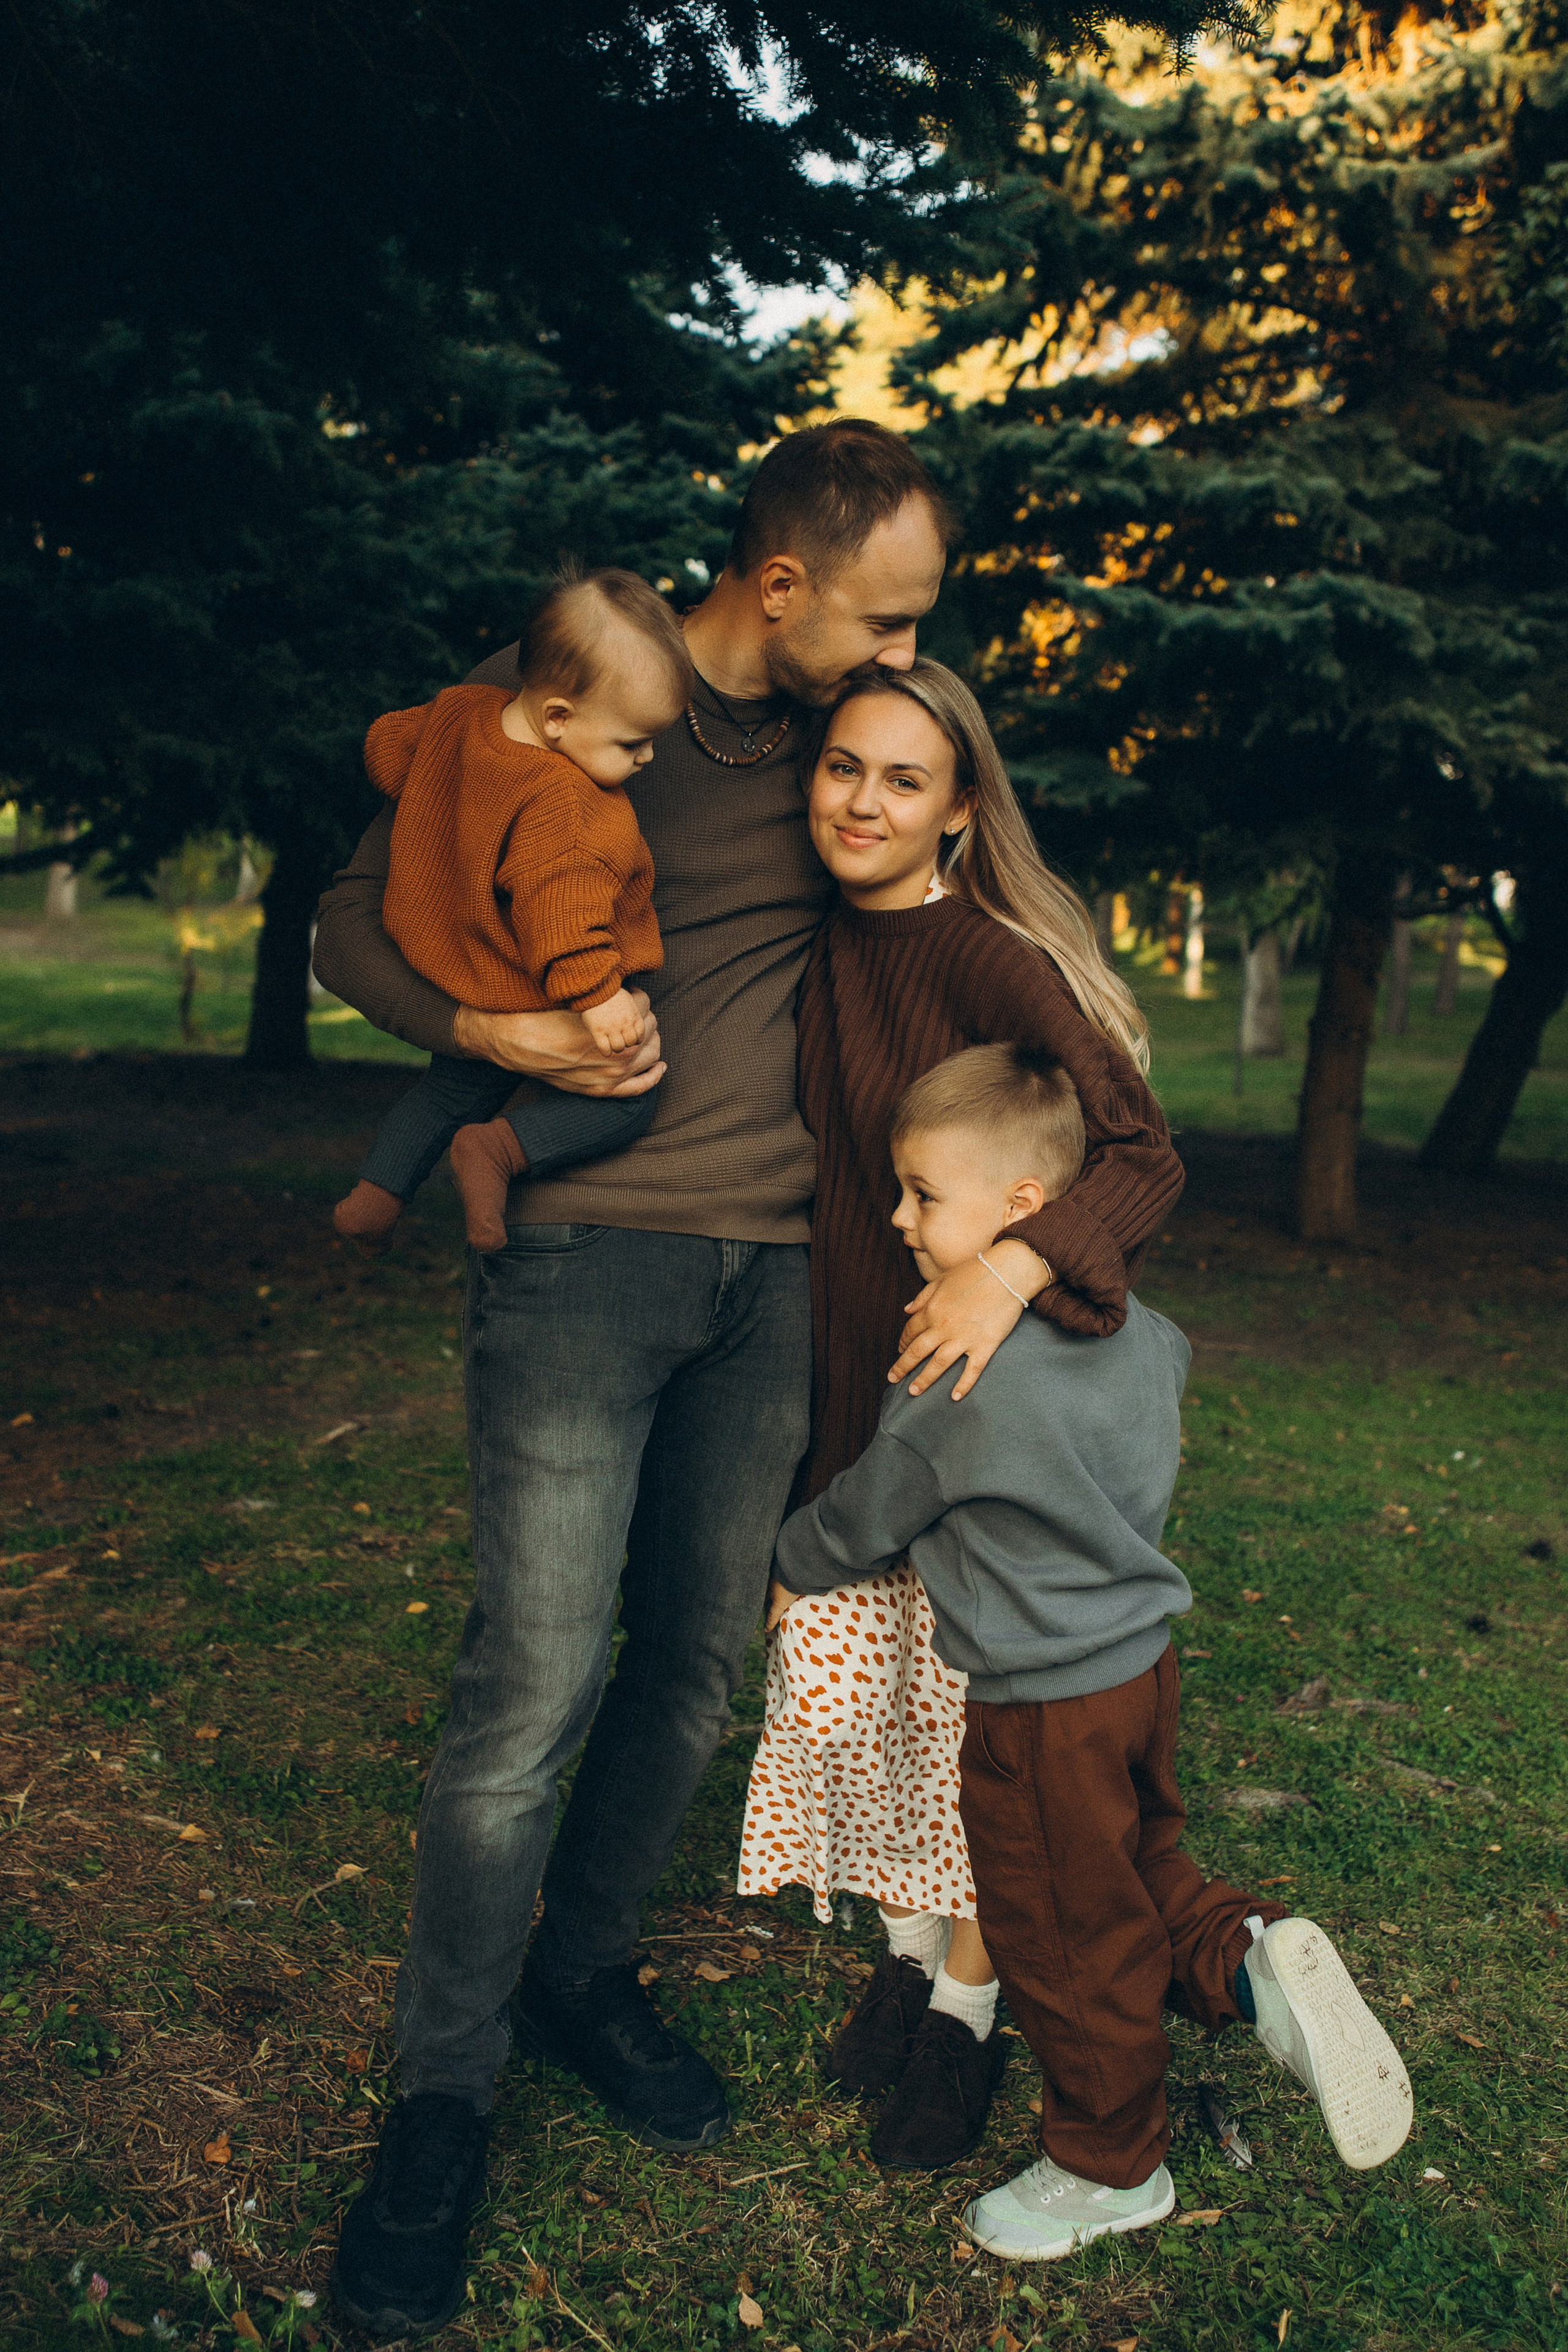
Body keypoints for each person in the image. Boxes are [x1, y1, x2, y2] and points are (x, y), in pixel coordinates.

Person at [312, 420, 960, 2343]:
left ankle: (580, 1970)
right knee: (533, 1678)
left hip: (782, 1273)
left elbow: (974, 908)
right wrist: (491, 1021)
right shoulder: (580, 697)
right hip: (586, 1263)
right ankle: (441, 2092)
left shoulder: (855, 754)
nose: (912, 648)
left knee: (693, 1661)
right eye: (892, 611)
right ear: (782, 586)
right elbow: (354, 917)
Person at [769, 1041, 1415, 2258]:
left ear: (1022, 1209)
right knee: (1126, 1862)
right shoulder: (1141, 1336)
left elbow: (873, 1509)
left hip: (1033, 1709)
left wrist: (792, 1564)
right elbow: (1159, 1367)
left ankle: (1110, 2164)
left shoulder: (950, 1372)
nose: (898, 1218)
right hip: (1135, 1671)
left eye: (921, 1194)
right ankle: (1249, 1960)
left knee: (1060, 1937)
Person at [737, 658, 1184, 2170]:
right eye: (841, 767)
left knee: (959, 1727)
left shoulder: (984, 955)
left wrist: (1002, 1266)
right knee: (858, 1711)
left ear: (957, 805)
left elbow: (1141, 1155)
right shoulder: (811, 936)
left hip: (961, 1400)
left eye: (902, 779)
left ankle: (968, 2012)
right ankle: (910, 1959)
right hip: (844, 1391)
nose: (861, 801)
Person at [333, 567, 689, 1253]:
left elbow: (389, 748)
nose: (647, 757)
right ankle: (499, 1149)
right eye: (632, 742)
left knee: (446, 1091)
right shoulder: (570, 806)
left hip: (454, 959)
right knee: (633, 1095)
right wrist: (599, 998)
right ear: (558, 718)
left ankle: (376, 1194)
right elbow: (561, 910)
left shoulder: (463, 714)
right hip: (534, 983)